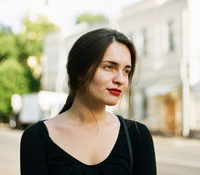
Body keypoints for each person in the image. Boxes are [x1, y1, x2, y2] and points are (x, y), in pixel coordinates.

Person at [20, 28, 157, 175]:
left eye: (126, 71)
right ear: (80, 72)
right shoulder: (36, 138)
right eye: (109, 67)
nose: (121, 80)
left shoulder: (137, 136)